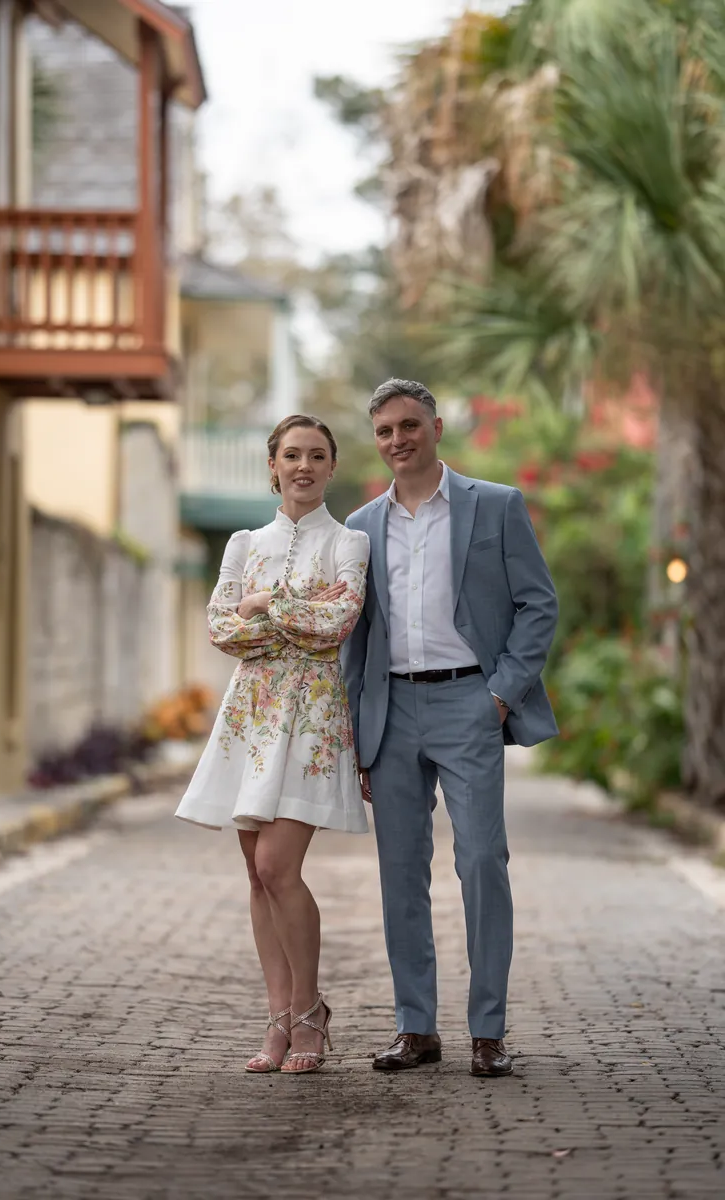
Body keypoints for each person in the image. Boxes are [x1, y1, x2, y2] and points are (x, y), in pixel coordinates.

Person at [342, 379, 558, 1078]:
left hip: (470, 701)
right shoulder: (360, 527)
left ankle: (488, 1030)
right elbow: (355, 637)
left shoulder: (494, 505)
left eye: (409, 425)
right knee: (400, 874)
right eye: (384, 432)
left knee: (480, 861)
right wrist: (354, 730)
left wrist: (500, 694)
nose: (397, 440)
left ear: (435, 427)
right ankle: (416, 1028)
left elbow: (538, 605)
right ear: (376, 441)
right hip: (392, 709)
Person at [176, 414, 370, 1075]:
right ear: (273, 465)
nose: (304, 466)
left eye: (317, 455)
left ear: (332, 467)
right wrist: (283, 615)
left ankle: (311, 1010)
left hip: (312, 720)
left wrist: (263, 606)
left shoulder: (350, 543)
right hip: (250, 718)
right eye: (292, 454)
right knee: (255, 878)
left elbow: (337, 625)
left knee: (276, 869)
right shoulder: (242, 542)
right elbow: (222, 630)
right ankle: (279, 1016)